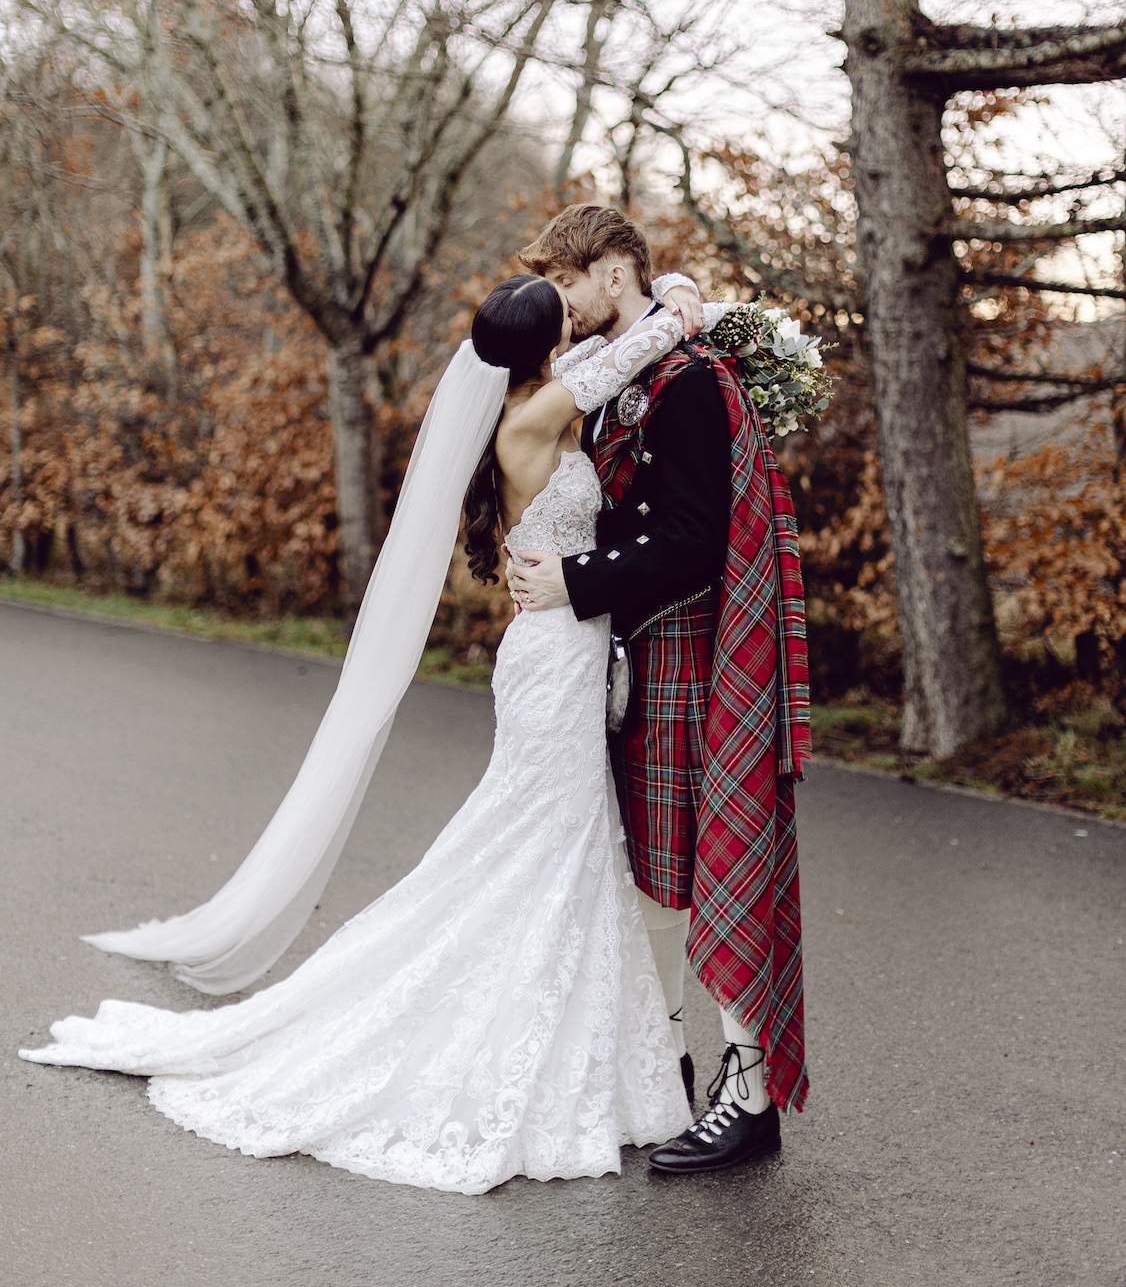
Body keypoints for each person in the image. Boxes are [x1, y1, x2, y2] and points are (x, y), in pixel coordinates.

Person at [19, 269, 732, 1197]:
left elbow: (607, 355)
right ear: (545, 344)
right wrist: (684, 308)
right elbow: (626, 352)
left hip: (566, 649)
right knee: (546, 845)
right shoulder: (533, 418)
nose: (578, 318)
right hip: (553, 660)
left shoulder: (534, 398)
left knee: (553, 845)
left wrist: (663, 293)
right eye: (565, 313)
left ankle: (577, 1040)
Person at [510, 205, 812, 1174]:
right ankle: (666, 1067)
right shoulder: (619, 377)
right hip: (629, 653)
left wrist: (577, 581)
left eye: (571, 283)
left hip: (688, 643)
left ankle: (751, 1092)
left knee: (716, 861)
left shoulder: (684, 383)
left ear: (614, 271)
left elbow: (689, 541)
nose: (568, 305)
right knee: (653, 869)